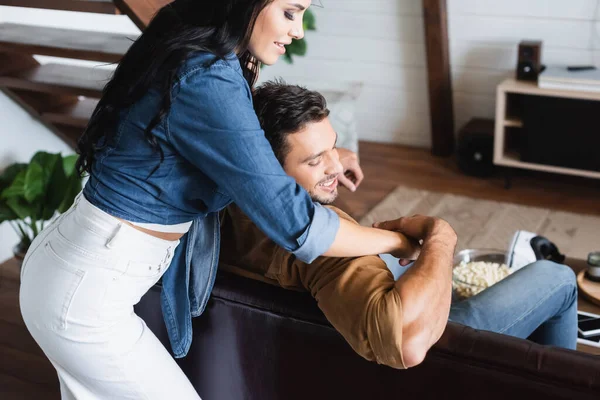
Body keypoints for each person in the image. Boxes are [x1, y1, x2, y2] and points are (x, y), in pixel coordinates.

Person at [18, 1, 418, 399]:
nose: (298, 30)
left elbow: (232, 143)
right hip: (85, 294)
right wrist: (395, 240)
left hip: (74, 266)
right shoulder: (206, 76)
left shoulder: (201, 54)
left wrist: (326, 158)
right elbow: (300, 226)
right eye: (290, 12)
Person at [219, 81, 579, 369]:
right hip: (442, 345)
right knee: (557, 279)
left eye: (333, 147)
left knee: (404, 260)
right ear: (269, 168)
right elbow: (406, 344)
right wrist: (441, 238)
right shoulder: (323, 240)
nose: (333, 167)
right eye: (315, 161)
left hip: (309, 344)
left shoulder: (223, 204)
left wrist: (325, 158)